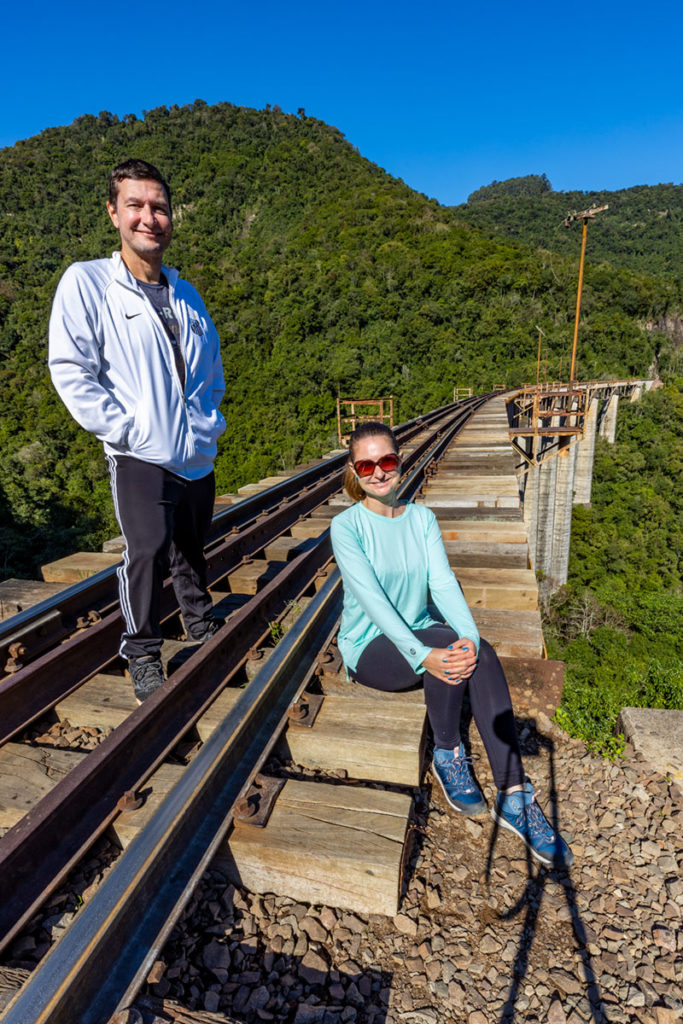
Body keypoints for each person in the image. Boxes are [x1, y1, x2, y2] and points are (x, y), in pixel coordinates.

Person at [330, 421, 573, 869]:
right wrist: (425, 654)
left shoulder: (421, 519)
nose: (378, 472)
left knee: (471, 647)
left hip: (425, 634)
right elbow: (374, 603)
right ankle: (447, 751)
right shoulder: (347, 527)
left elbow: (442, 584)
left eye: (386, 460)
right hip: (371, 649)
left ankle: (514, 793)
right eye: (367, 465)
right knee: (445, 640)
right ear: (354, 470)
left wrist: (471, 641)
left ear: (399, 461)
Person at [49, 159, 226, 703]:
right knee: (147, 549)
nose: (149, 217)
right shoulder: (89, 282)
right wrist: (124, 430)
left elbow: (211, 371)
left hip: (194, 450)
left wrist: (209, 423)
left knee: (193, 546)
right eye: (136, 205)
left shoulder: (186, 294)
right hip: (138, 452)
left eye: (159, 208)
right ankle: (143, 650)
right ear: (113, 212)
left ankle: (198, 621)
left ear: (170, 218)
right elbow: (70, 369)